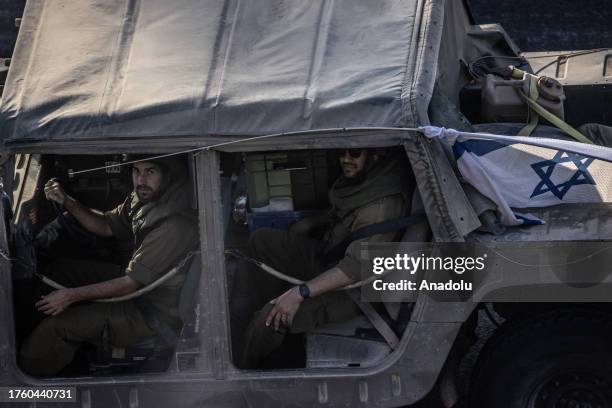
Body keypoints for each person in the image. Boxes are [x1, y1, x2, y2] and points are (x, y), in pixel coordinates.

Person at [230, 148, 413, 368]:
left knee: (271, 317)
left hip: (352, 290)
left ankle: (239, 367)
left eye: (354, 153)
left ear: (375, 155)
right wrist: (310, 223)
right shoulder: (366, 183)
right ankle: (244, 318)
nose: (346, 159)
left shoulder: (381, 205)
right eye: (342, 152)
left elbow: (355, 269)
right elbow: (343, 214)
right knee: (262, 242)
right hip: (330, 256)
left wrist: (300, 293)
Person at [19, 155, 199, 376]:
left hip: (148, 312)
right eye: (136, 171)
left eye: (150, 172)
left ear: (169, 176)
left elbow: (130, 285)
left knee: (55, 329)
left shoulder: (174, 226)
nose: (140, 180)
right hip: (140, 286)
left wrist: (71, 296)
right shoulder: (146, 199)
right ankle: (25, 330)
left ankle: (22, 385)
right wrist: (66, 201)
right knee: (60, 271)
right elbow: (106, 225)